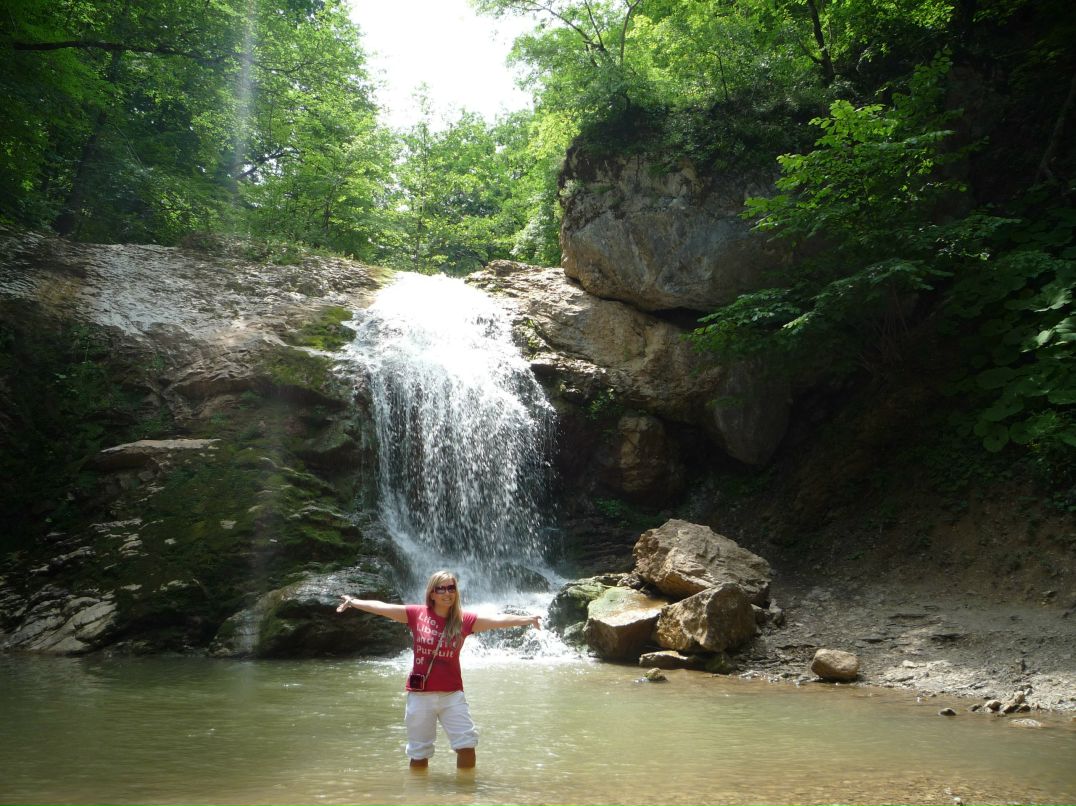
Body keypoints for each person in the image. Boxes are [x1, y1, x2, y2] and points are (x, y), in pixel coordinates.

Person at [337, 569, 541, 770]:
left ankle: (464, 794)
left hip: (452, 695)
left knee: (467, 747)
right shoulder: (417, 614)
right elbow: (382, 607)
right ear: (432, 593)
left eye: (451, 588)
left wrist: (528, 619)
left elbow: (497, 620)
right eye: (441, 589)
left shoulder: (464, 620)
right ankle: (419, 797)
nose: (447, 593)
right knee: (419, 755)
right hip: (420, 696)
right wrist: (353, 602)